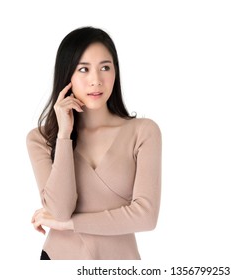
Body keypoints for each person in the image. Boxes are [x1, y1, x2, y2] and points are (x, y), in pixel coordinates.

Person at [26, 26, 161, 260]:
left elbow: (146, 218)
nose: (96, 80)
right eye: (83, 69)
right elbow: (60, 210)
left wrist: (69, 224)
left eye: (105, 68)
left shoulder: (143, 132)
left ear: (115, 73)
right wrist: (64, 135)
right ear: (67, 75)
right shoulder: (41, 139)